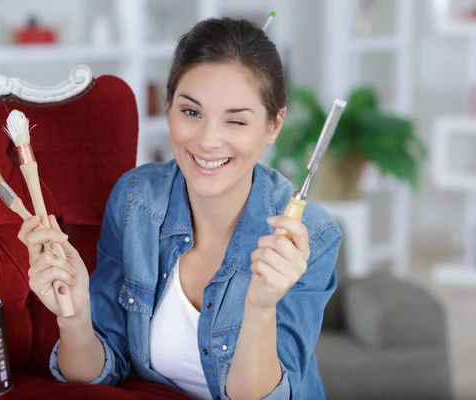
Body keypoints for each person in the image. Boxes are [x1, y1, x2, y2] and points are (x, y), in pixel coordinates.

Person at [18, 17, 342, 400]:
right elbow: (96, 373)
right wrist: (73, 317)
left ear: (274, 125)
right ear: (168, 105)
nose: (208, 141)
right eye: (191, 112)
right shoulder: (136, 199)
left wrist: (260, 306)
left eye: (236, 120)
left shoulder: (312, 237)